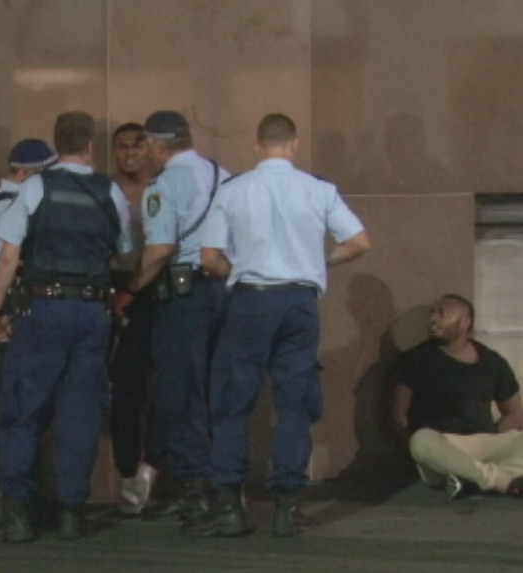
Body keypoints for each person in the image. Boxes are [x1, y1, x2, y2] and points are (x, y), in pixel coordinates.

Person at [184, 112, 370, 538]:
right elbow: (359, 242)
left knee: (232, 404)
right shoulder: (319, 190)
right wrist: (319, 261)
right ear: (295, 144)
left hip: (250, 301)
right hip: (299, 303)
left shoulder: (234, 190)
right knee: (295, 405)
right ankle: (287, 508)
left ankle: (232, 509)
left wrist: (239, 270)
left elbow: (209, 257)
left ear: (256, 146)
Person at [0, 111, 133, 543]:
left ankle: (19, 516)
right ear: (89, 146)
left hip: (42, 311)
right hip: (92, 314)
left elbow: (9, 256)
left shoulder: (35, 186)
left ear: (57, 144)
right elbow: (124, 253)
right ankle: (71, 514)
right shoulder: (111, 192)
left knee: (22, 411)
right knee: (79, 413)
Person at [113, 110, 230, 522]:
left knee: (179, 393)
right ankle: (221, 484)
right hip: (222, 291)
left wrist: (131, 288)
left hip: (183, 298)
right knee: (212, 390)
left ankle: (192, 490)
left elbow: (160, 251)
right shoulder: (222, 175)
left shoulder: (164, 186)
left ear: (157, 145)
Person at [390, 294, 523, 500]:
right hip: (443, 447)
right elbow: (399, 418)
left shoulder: (492, 361)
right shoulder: (415, 360)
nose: (433, 319)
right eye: (432, 313)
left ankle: (471, 481)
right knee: (421, 440)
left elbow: (516, 412)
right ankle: (503, 481)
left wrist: (494, 435)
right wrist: (420, 455)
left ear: (464, 322)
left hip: (482, 443)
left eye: (442, 313)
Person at [107, 123, 161, 514]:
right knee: (123, 386)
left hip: (157, 295)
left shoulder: (163, 188)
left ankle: (152, 465)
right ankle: (128, 471)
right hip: (113, 293)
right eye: (122, 147)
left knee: (162, 387)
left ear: (149, 149)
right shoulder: (105, 190)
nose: (129, 154)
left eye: (136, 146)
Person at [0, 138, 57, 287]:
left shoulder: (9, 197)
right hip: (16, 291)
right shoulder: (6, 204)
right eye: (46, 173)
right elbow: (8, 257)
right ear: (24, 173)